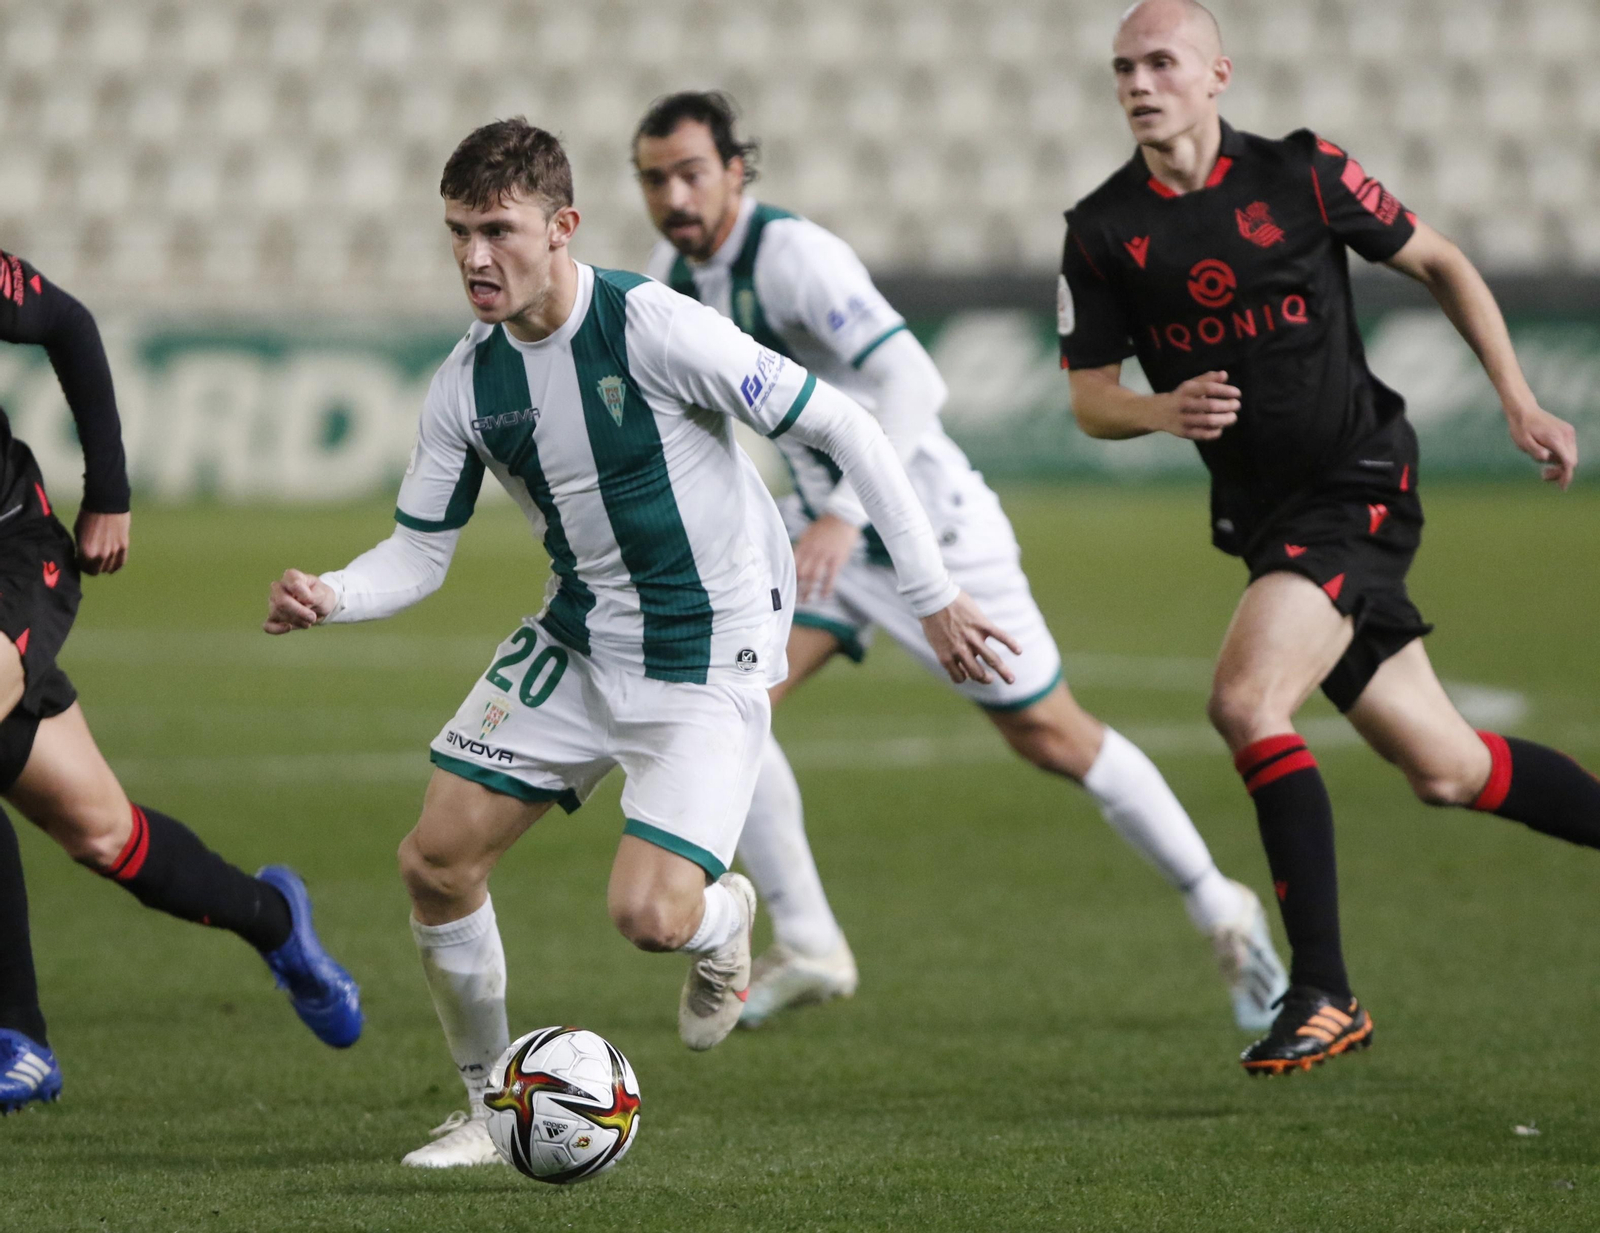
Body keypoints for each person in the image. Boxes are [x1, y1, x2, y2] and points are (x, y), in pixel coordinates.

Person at [263, 118, 1014, 1167]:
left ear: (563, 226)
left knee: (647, 917)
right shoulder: (466, 385)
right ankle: (489, 1105)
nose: (475, 257)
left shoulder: (650, 325)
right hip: (579, 637)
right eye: (457, 233)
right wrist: (331, 594)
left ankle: (722, 918)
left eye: (498, 230)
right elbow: (419, 554)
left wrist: (930, 591)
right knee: (435, 863)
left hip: (711, 650)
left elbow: (845, 423)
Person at [634, 90, 1288, 1033]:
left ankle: (1221, 906)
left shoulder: (794, 255)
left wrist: (852, 514)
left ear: (738, 169)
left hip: (925, 530)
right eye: (654, 177)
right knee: (730, 712)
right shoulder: (675, 273)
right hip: (821, 537)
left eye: (691, 171)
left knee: (1054, 737)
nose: (673, 193)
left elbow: (913, 378)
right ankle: (812, 940)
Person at [1061, 0, 1597, 1076]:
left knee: (1244, 701)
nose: (1138, 82)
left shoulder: (1301, 174)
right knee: (1445, 767)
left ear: (1218, 73)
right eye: (1123, 66)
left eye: (1161, 61)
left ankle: (1323, 990)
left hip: (1356, 484)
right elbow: (1086, 399)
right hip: (1267, 524)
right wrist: (1162, 411)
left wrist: (1518, 399)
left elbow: (1441, 261)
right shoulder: (1101, 227)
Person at [0, 254, 362, 1113]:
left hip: (11, 553)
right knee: (102, 833)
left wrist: (110, 491)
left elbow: (68, 324)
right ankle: (273, 918)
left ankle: (19, 1039)